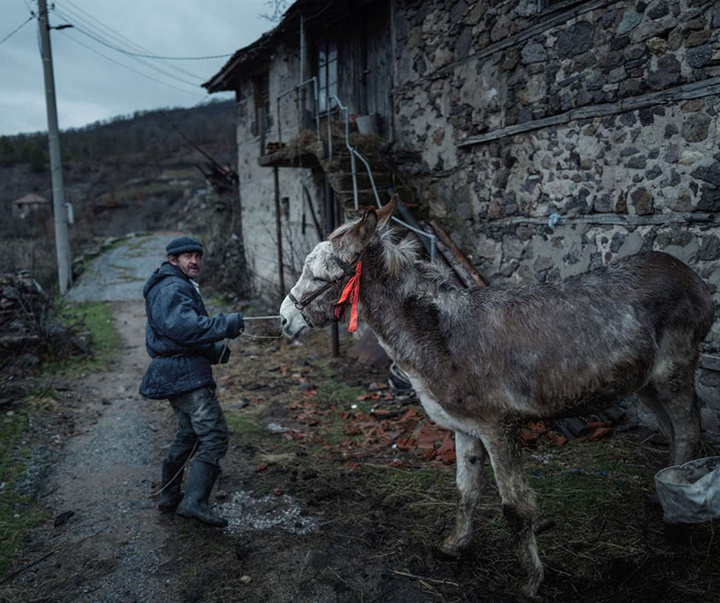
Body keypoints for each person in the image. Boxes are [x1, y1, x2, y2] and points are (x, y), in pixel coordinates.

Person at [139, 235, 244, 527]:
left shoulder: (173, 285)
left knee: (188, 434)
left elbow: (178, 333)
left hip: (180, 371)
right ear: (173, 260)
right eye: (187, 257)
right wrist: (228, 323)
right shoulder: (172, 287)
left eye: (197, 256)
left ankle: (169, 495)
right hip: (185, 377)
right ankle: (194, 502)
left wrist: (214, 351)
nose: (194, 261)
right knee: (214, 435)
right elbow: (186, 329)